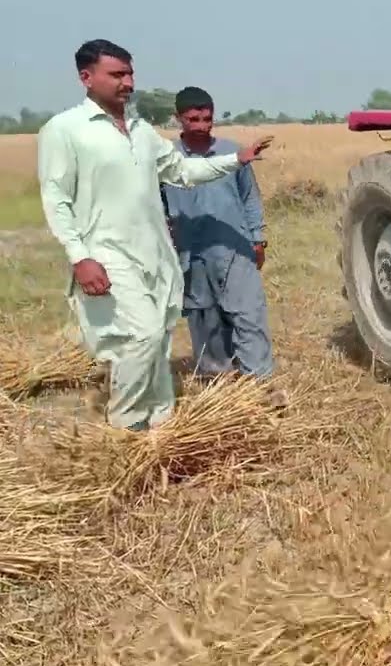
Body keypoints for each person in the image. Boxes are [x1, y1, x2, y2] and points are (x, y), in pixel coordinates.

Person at [37, 39, 273, 432]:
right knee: (141, 337)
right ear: (86, 77)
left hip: (158, 254)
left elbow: (183, 172)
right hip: (108, 253)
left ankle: (160, 425)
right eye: (117, 74)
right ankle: (127, 426)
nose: (127, 82)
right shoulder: (64, 130)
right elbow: (56, 199)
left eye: (130, 73)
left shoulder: (141, 130)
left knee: (159, 337)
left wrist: (236, 159)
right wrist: (80, 256)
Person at [160, 86, 279, 392]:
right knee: (204, 318)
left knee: (248, 314)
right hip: (190, 252)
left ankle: (261, 384)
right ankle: (218, 382)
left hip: (234, 246)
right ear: (178, 119)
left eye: (207, 118)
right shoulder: (165, 158)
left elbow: (250, 198)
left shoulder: (232, 152)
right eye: (193, 119)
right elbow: (158, 204)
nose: (201, 125)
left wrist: (258, 239)